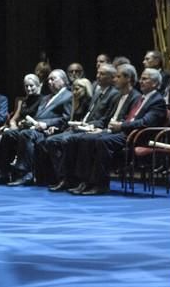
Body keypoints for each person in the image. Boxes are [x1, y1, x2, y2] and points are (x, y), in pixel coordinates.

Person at [42, 64, 120, 192]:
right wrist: (81, 124)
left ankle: (74, 179)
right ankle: (65, 177)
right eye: (97, 73)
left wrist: (89, 125)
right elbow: (88, 114)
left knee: (69, 140)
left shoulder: (114, 95)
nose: (97, 76)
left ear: (112, 77)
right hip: (83, 127)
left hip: (94, 129)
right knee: (52, 140)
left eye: (102, 74)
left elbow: (106, 119)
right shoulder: (98, 92)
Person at [0, 69, 72, 186]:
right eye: (49, 80)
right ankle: (3, 173)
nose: (50, 82)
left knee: (26, 134)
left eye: (53, 79)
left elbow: (66, 119)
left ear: (63, 80)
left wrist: (47, 124)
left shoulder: (68, 96)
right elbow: (37, 116)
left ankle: (26, 174)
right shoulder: (47, 97)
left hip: (50, 130)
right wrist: (28, 123)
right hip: (35, 126)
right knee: (9, 134)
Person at [0, 74, 42, 184]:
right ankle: (3, 173)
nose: (28, 89)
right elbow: (14, 118)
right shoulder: (24, 101)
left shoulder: (42, 100)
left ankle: (23, 173)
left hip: (33, 129)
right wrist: (13, 126)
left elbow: (40, 118)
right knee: (8, 134)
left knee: (22, 135)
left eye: (31, 86)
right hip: (22, 128)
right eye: (26, 86)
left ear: (38, 85)